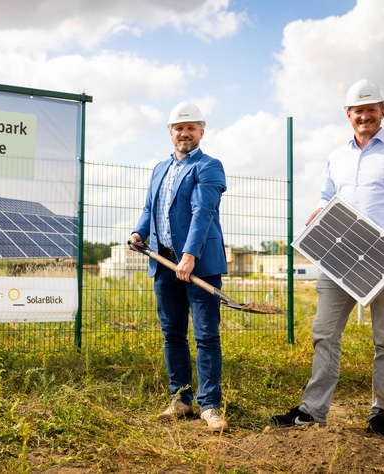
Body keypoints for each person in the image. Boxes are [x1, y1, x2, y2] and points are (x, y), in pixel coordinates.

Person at [272, 79, 384, 438]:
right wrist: (318, 213)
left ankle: (382, 414)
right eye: (358, 110)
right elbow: (327, 196)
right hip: (338, 261)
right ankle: (312, 411)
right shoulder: (337, 155)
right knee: (324, 333)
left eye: (371, 109)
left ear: (383, 112)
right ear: (348, 114)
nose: (365, 115)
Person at [128, 101, 228, 433]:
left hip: (198, 264)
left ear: (201, 131)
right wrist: (140, 231)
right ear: (170, 132)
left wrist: (189, 256)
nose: (184, 133)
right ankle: (182, 399)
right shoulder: (159, 169)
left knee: (206, 336)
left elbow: (203, 213)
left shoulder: (209, 166)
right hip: (163, 263)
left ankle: (210, 404)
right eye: (178, 128)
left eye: (191, 128)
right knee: (173, 334)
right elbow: (149, 208)